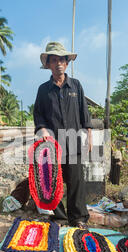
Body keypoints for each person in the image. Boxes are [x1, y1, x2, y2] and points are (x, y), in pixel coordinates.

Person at [33, 41, 93, 229]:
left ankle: (79, 218)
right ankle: (59, 218)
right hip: (52, 144)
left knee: (76, 181)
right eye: (54, 60)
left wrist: (89, 136)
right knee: (54, 181)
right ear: (48, 64)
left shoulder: (76, 86)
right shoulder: (43, 90)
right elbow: (39, 114)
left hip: (74, 141)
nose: (58, 63)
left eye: (62, 60)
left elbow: (85, 113)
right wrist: (42, 130)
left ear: (67, 63)